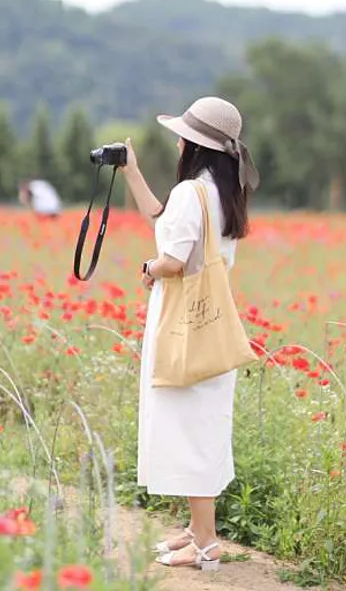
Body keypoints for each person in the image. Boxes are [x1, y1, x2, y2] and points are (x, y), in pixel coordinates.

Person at [120, 96, 259, 572]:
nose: (178, 142)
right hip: (214, 324)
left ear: (196, 146)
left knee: (188, 432)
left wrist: (148, 267)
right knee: (203, 429)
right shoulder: (225, 193)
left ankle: (205, 544)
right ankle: (198, 531)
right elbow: (166, 223)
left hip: (185, 323)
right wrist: (132, 173)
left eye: (183, 136)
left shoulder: (190, 195)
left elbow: (173, 260)